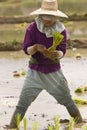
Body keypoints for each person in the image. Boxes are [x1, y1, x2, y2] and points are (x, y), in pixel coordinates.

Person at [7, 0, 82, 129]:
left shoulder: (61, 31)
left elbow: (62, 51)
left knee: (67, 99)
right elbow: (26, 50)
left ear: (56, 17)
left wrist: (55, 54)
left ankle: (80, 121)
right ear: (41, 15)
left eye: (51, 18)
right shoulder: (32, 28)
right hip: (34, 72)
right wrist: (35, 47)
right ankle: (12, 126)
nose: (48, 20)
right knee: (23, 102)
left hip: (54, 73)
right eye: (46, 17)